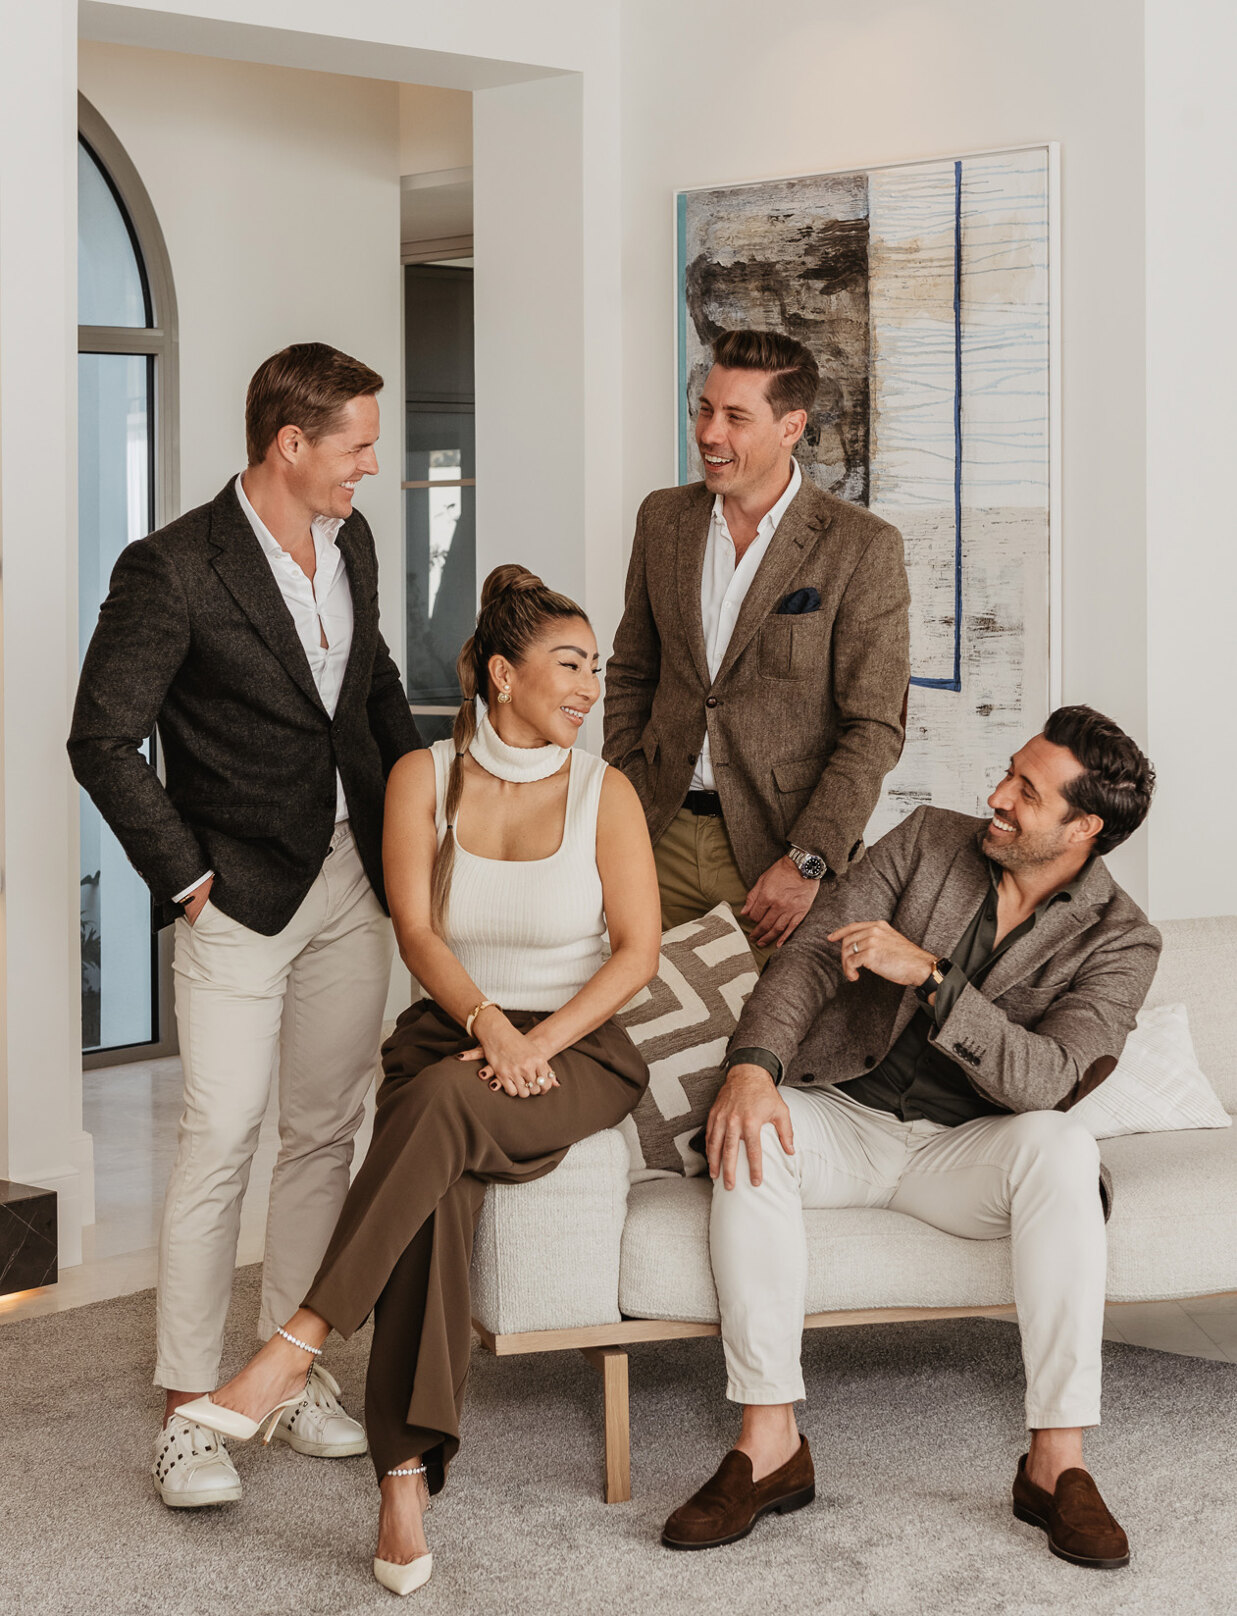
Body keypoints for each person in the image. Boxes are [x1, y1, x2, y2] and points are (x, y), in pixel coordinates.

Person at [179, 565, 661, 1594]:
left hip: (578, 1049)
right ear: (503, 673)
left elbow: (636, 953)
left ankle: (296, 1344)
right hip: (450, 1033)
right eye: (570, 664)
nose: (590, 686)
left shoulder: (605, 792)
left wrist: (535, 1041)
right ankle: (402, 1484)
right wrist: (488, 1025)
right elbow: (418, 932)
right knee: (434, 1181)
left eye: (597, 667)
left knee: (438, 1105)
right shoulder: (420, 778)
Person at [664, 706, 1159, 1571]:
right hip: (845, 1115)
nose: (996, 795)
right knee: (751, 1131)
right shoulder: (929, 839)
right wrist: (750, 1068)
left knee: (1063, 1148)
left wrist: (931, 975)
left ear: (1083, 828)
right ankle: (769, 1445)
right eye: (1007, 772)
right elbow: (810, 959)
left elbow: (1047, 1081)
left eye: (1026, 792)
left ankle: (1054, 1464)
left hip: (964, 1154)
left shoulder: (1121, 939)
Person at [69, 343, 422, 1508]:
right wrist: (185, 879)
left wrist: (415, 815)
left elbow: (370, 685)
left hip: (351, 883)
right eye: (356, 447)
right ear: (290, 442)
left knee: (323, 1131)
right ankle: (190, 1409)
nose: (370, 467)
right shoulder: (171, 567)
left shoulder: (352, 542)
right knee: (220, 1135)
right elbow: (101, 737)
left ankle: (287, 1373)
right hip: (236, 895)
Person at [604, 327, 911, 966]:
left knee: (764, 1028)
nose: (710, 434)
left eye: (736, 418)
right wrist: (626, 799)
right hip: (653, 837)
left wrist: (807, 861)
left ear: (791, 427)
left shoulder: (861, 546)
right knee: (635, 1023)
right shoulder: (661, 518)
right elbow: (632, 672)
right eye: (705, 410)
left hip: (777, 861)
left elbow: (874, 727)